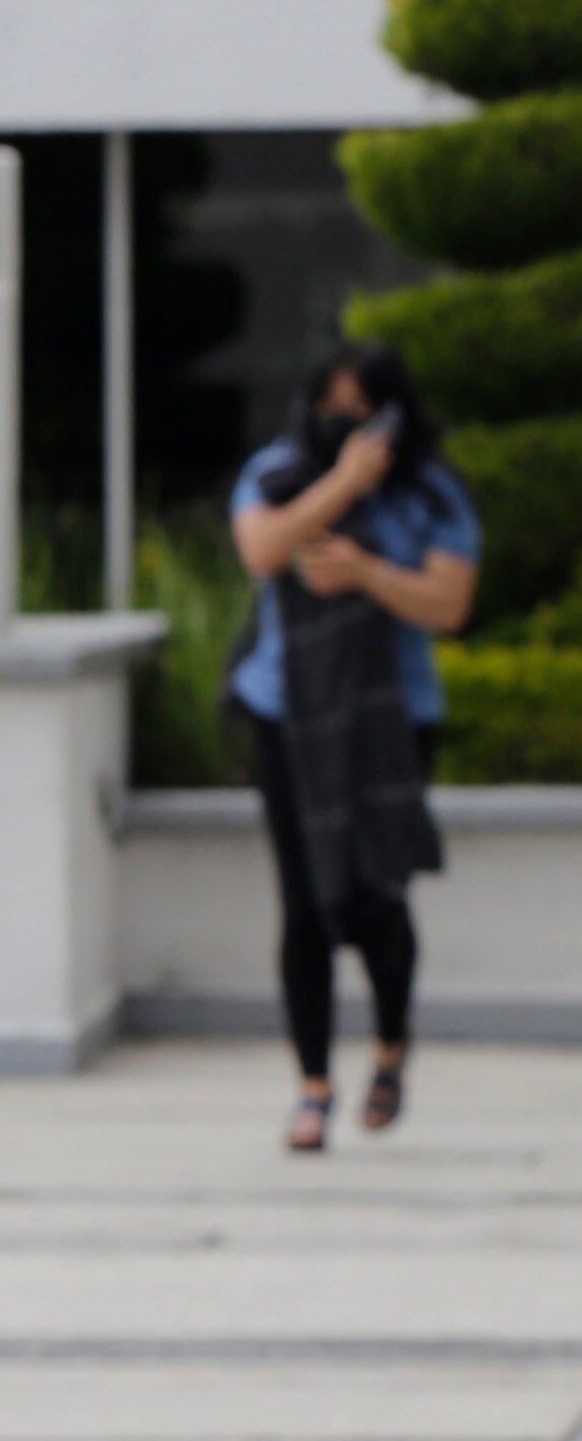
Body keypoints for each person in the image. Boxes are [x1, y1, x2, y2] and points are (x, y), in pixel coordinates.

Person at [228, 341, 479, 1153]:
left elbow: (449, 603)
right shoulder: (275, 471)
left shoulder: (431, 493)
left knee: (377, 895)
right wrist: (343, 485)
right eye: (333, 409)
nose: (346, 426)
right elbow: (263, 550)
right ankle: (312, 1087)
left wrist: (368, 572)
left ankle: (390, 1048)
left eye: (363, 414)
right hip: (288, 713)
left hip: (393, 721)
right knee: (303, 904)